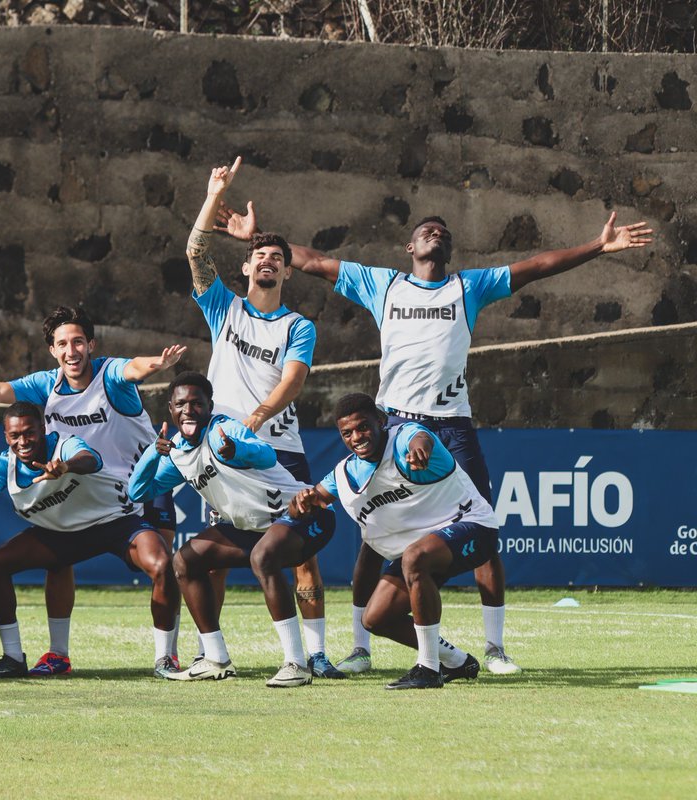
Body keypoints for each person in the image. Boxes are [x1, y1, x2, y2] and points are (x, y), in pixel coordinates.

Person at [220, 187, 653, 675]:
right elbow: (316, 262)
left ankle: (495, 649)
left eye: (443, 232)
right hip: (393, 424)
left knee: (481, 526)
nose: (436, 232)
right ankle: (360, 648)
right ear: (410, 247)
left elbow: (535, 266)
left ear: (448, 250)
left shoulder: (470, 287)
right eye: (427, 229)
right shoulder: (384, 285)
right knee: (373, 537)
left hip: (451, 427)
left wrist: (598, 246)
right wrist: (259, 240)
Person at [0, 306, 186, 676]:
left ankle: (172, 655)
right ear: (53, 350)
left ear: (91, 345)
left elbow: (134, 367)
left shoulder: (109, 375)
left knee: (165, 566)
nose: (71, 351)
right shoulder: (46, 386)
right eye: (63, 344)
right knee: (56, 558)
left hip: (143, 481)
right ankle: (55, 655)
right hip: (84, 488)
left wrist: (157, 364)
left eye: (78, 342)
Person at [185, 158, 341, 678]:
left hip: (280, 448)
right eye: (260, 256)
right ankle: (213, 654)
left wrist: (256, 417)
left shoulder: (298, 325)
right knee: (214, 554)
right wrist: (214, 193)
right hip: (224, 457)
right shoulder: (222, 308)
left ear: (287, 272)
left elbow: (293, 381)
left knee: (300, 553)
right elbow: (195, 251)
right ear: (247, 268)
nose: (268, 262)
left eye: (277, 257)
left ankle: (315, 654)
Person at [129, 372, 337, 686]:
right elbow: (138, 492)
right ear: (170, 409)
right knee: (185, 561)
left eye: (197, 403)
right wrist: (152, 453)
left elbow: (266, 454)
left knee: (263, 558)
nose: (188, 410)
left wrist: (236, 451)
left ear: (209, 406)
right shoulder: (177, 453)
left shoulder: (223, 430)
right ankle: (215, 658)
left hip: (307, 516)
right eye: (180, 404)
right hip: (258, 529)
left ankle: (296, 664)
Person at [0, 402, 179, 679]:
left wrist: (66, 467)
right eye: (15, 435)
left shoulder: (65, 444)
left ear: (42, 429)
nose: (23, 441)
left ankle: (165, 659)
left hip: (116, 520)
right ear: (5, 436)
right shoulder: (5, 464)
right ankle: (13, 658)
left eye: (29, 433)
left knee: (161, 563)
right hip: (62, 535)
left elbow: (90, 459)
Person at [295, 393, 497, 689]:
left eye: (363, 427)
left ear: (380, 421)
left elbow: (420, 439)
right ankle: (457, 661)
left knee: (414, 557)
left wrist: (420, 450)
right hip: (423, 549)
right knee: (376, 618)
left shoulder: (404, 438)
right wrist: (302, 500)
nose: (356, 437)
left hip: (472, 527)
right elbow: (310, 501)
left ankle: (428, 668)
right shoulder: (345, 473)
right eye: (347, 433)